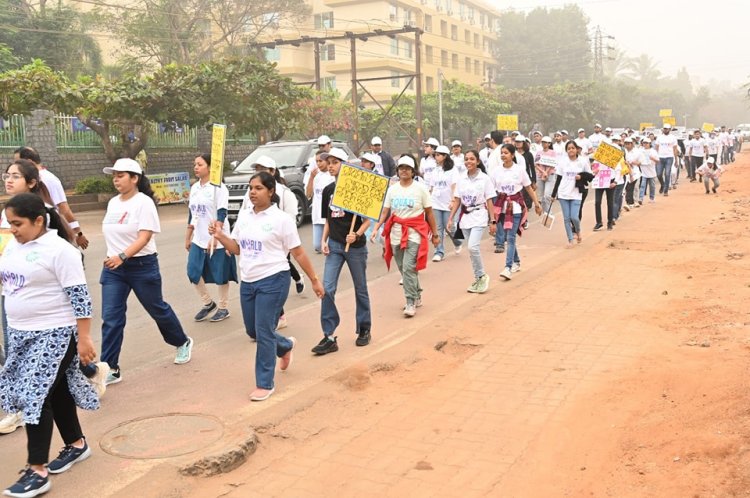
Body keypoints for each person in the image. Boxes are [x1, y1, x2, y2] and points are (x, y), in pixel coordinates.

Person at [0, 193, 98, 498]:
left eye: (17, 223)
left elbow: (80, 298)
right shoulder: (15, 246)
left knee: (34, 394)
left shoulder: (59, 251)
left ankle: (37, 470)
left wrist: (84, 339)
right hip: (20, 333)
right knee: (56, 391)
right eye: (9, 223)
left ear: (39, 221)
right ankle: (77, 444)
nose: (12, 229)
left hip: (54, 335)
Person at [210, 171, 324, 401]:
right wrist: (221, 236)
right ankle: (283, 346)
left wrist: (313, 279)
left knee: (263, 332)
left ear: (270, 191)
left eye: (258, 188)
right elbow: (238, 249)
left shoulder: (282, 220)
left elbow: (298, 252)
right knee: (253, 331)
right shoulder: (244, 217)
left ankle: (264, 383)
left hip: (274, 279)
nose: (252, 192)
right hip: (249, 281)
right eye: (251, 188)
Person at [100, 158, 193, 386]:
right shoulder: (113, 203)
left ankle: (181, 341)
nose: (116, 179)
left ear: (135, 178)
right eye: (114, 175)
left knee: (157, 309)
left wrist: (122, 256)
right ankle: (110, 367)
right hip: (114, 269)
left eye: (121, 175)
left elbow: (144, 237)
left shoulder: (144, 203)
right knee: (111, 318)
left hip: (141, 266)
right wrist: (115, 257)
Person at [312, 148, 372, 355]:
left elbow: (366, 220)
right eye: (328, 162)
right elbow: (328, 219)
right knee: (327, 289)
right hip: (335, 246)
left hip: (355, 247)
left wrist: (356, 234)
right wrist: (323, 239)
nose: (330, 165)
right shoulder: (328, 190)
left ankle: (364, 328)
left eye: (335, 162)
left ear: (345, 164)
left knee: (360, 288)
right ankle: (329, 335)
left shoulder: (357, 189)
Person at [372, 155, 439, 318]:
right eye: (401, 168)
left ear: (413, 171)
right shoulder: (392, 190)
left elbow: (429, 213)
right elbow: (385, 211)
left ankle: (410, 302)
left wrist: (435, 234)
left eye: (407, 168)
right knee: (403, 268)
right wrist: (376, 228)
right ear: (397, 171)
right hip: (395, 234)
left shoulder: (420, 189)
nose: (404, 171)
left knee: (409, 267)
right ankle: (417, 292)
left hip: (414, 233)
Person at [244, 156, 304, 329]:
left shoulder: (286, 194)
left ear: (273, 172)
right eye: (257, 169)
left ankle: (277, 319)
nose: (259, 172)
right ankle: (270, 324)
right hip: (256, 246)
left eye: (263, 168)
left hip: (276, 246)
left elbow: (290, 222)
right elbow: (245, 213)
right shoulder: (251, 193)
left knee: (271, 283)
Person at [185, 153, 237, 323]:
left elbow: (222, 212)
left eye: (199, 164)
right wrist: (188, 236)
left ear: (209, 167)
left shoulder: (219, 188)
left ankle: (223, 308)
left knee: (220, 274)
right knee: (193, 271)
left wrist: (217, 236)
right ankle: (208, 303)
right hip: (198, 239)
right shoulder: (195, 188)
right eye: (194, 164)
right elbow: (192, 214)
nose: (196, 167)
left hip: (218, 238)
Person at [13, 147, 89, 250]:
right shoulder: (25, 181)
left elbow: (64, 209)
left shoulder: (48, 179)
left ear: (29, 162)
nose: (15, 166)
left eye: (18, 162)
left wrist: (78, 233)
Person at [490, 144, 543, 281]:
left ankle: (508, 267)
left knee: (511, 237)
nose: (503, 155)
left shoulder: (519, 170)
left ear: (512, 155)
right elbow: (490, 191)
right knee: (508, 237)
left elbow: (529, 188)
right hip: (501, 208)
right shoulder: (496, 171)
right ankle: (517, 261)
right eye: (501, 153)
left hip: (516, 208)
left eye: (506, 153)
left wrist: (537, 204)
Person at [447, 150, 495, 293]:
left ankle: (482, 275)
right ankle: (477, 278)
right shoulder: (461, 179)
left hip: (480, 215)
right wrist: (451, 218)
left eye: (472, 159)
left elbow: (489, 199)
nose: (469, 161)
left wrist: (493, 221)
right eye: (466, 159)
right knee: (471, 249)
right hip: (465, 218)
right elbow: (457, 200)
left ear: (478, 161)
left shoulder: (485, 179)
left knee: (473, 247)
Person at [551, 140, 592, 247]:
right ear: (566, 150)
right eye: (569, 148)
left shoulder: (583, 161)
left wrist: (581, 176)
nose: (571, 150)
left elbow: (590, 176)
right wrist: (553, 194)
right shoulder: (562, 162)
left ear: (577, 149)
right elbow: (559, 178)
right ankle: (570, 239)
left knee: (574, 217)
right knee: (566, 218)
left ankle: (578, 231)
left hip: (576, 193)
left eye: (573, 148)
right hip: (563, 193)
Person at [430, 145, 463, 262]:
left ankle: (458, 242)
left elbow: (454, 185)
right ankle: (439, 251)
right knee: (438, 228)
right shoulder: (435, 170)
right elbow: (432, 186)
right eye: (435, 155)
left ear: (445, 156)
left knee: (449, 227)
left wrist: (453, 200)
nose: (436, 157)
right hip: (436, 202)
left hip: (448, 202)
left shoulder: (453, 170)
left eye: (438, 155)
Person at [305, 150, 335, 254]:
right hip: (317, 216)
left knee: (331, 246)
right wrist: (311, 178)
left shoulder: (332, 176)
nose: (318, 163)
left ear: (327, 161)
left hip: (329, 216)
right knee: (317, 245)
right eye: (316, 161)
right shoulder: (315, 176)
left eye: (320, 161)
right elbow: (308, 194)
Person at [535, 136, 557, 214]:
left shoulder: (553, 153)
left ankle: (548, 213)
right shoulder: (539, 152)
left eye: (545, 142)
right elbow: (536, 164)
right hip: (540, 176)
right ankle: (547, 213)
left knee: (547, 195)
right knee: (541, 197)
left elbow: (552, 164)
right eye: (543, 142)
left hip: (550, 175)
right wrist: (542, 172)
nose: (544, 144)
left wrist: (546, 172)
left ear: (549, 144)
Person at [655, 123, 679, 196]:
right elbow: (656, 148)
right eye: (664, 128)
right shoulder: (659, 137)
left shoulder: (673, 138)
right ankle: (662, 184)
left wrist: (676, 160)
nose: (666, 130)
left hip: (669, 157)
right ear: (663, 129)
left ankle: (666, 190)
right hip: (660, 157)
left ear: (669, 129)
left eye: (667, 129)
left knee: (667, 173)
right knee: (659, 174)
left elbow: (675, 149)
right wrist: (655, 158)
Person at [639, 138, 659, 204]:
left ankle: (652, 198)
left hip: (651, 172)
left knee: (652, 186)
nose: (645, 144)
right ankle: (641, 199)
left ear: (649, 144)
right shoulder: (640, 151)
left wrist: (653, 159)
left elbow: (658, 161)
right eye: (644, 143)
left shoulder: (653, 151)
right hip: (644, 171)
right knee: (642, 185)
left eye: (646, 143)